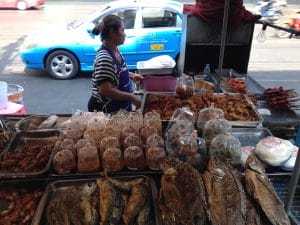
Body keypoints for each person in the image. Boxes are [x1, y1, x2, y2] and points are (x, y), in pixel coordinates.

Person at [88, 15, 143, 114]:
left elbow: (115, 71)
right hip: (105, 109)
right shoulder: (104, 58)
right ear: (112, 33)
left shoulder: (115, 50)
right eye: (122, 30)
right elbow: (105, 90)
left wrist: (132, 75)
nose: (125, 34)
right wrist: (131, 97)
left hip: (119, 106)